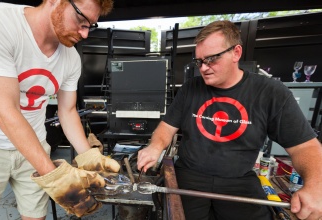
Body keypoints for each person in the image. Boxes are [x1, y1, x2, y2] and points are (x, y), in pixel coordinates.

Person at [137, 20, 322, 220]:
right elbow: (167, 126)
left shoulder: (271, 93)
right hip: (189, 177)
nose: (204, 68)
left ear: (236, 52)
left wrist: (315, 186)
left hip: (238, 180)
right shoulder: (191, 88)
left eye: (212, 59)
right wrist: (154, 147)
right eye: (199, 61)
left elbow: (305, 147)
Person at [0, 0, 120, 219]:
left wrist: (88, 155)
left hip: (34, 144)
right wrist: (55, 176)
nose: (84, 34)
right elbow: (5, 111)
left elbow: (67, 111)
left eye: (90, 26)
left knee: (36, 216)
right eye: (81, 21)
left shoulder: (71, 58)